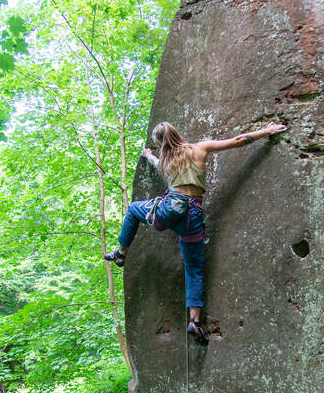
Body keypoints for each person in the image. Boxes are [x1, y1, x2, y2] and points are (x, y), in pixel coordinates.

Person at [104, 121, 287, 344]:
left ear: (160, 143)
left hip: (168, 211)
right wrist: (265, 132)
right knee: (194, 269)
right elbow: (238, 141)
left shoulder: (166, 160)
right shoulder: (200, 148)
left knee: (133, 209)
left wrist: (147, 155)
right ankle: (194, 321)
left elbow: (155, 162)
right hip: (192, 216)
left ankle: (121, 253)